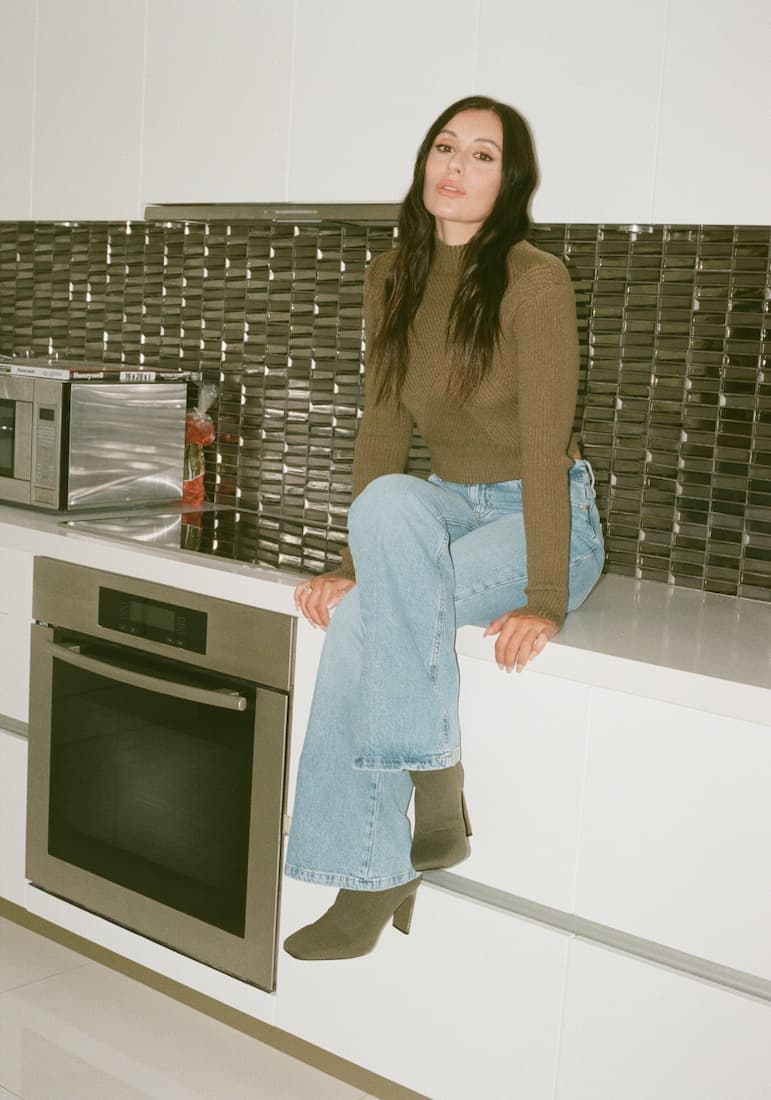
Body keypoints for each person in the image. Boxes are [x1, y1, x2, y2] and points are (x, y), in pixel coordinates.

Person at [283, 95, 605, 961]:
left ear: (510, 182)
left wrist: (546, 598)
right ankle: (434, 776)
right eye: (443, 147)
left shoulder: (535, 282)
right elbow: (383, 427)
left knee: (358, 625)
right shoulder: (390, 274)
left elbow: (544, 450)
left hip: (546, 516)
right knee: (385, 501)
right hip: (449, 507)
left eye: (482, 155)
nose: (455, 166)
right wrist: (361, 560)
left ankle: (372, 871)